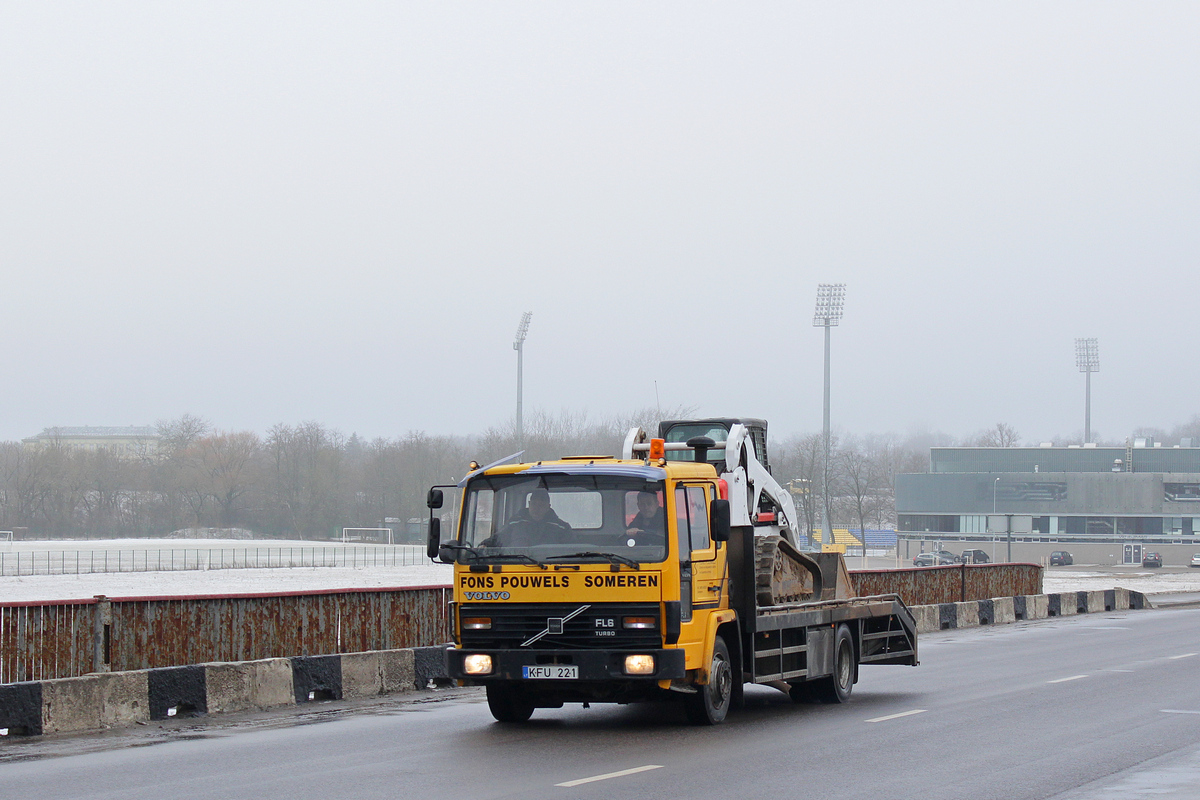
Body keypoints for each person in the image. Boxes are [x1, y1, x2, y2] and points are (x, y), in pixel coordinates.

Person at [488, 488, 571, 547]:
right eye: (534, 504)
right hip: (516, 565)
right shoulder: (514, 523)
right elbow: (499, 539)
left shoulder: (562, 527)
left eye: (541, 505)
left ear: (548, 507)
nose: (536, 508)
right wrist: (484, 545)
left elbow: (571, 551)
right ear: (529, 504)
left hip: (553, 568)